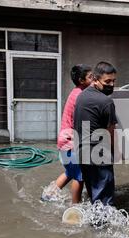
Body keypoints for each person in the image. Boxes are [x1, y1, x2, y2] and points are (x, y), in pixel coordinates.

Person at [41, 64, 93, 203]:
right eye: (90, 77)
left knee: (71, 172)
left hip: (65, 140)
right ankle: (75, 207)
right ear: (82, 81)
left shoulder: (76, 92)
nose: (94, 79)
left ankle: (48, 195)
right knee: (79, 177)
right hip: (70, 142)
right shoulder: (81, 96)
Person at [73, 61, 118, 206]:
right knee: (104, 203)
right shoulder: (106, 102)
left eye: (113, 81)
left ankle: (91, 226)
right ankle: (101, 228)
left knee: (95, 198)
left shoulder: (81, 96)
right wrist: (114, 154)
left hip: (82, 154)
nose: (111, 84)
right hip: (98, 156)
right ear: (95, 79)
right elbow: (111, 134)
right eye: (107, 81)